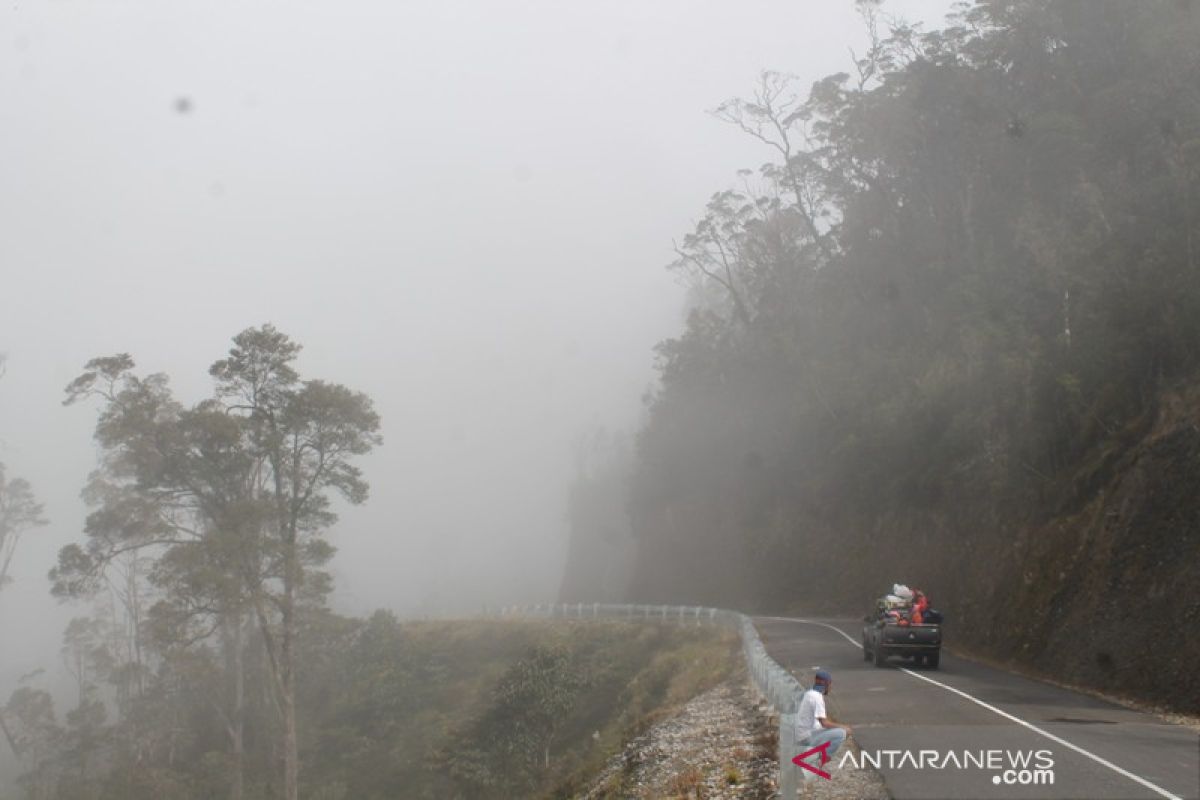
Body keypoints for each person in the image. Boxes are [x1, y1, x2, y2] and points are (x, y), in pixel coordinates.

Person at [795, 669, 852, 767]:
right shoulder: (817, 697)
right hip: (806, 738)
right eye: (830, 684)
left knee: (837, 731)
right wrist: (843, 727)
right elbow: (824, 723)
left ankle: (816, 756)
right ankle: (820, 761)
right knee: (842, 733)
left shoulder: (809, 693)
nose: (830, 687)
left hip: (802, 735)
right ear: (825, 683)